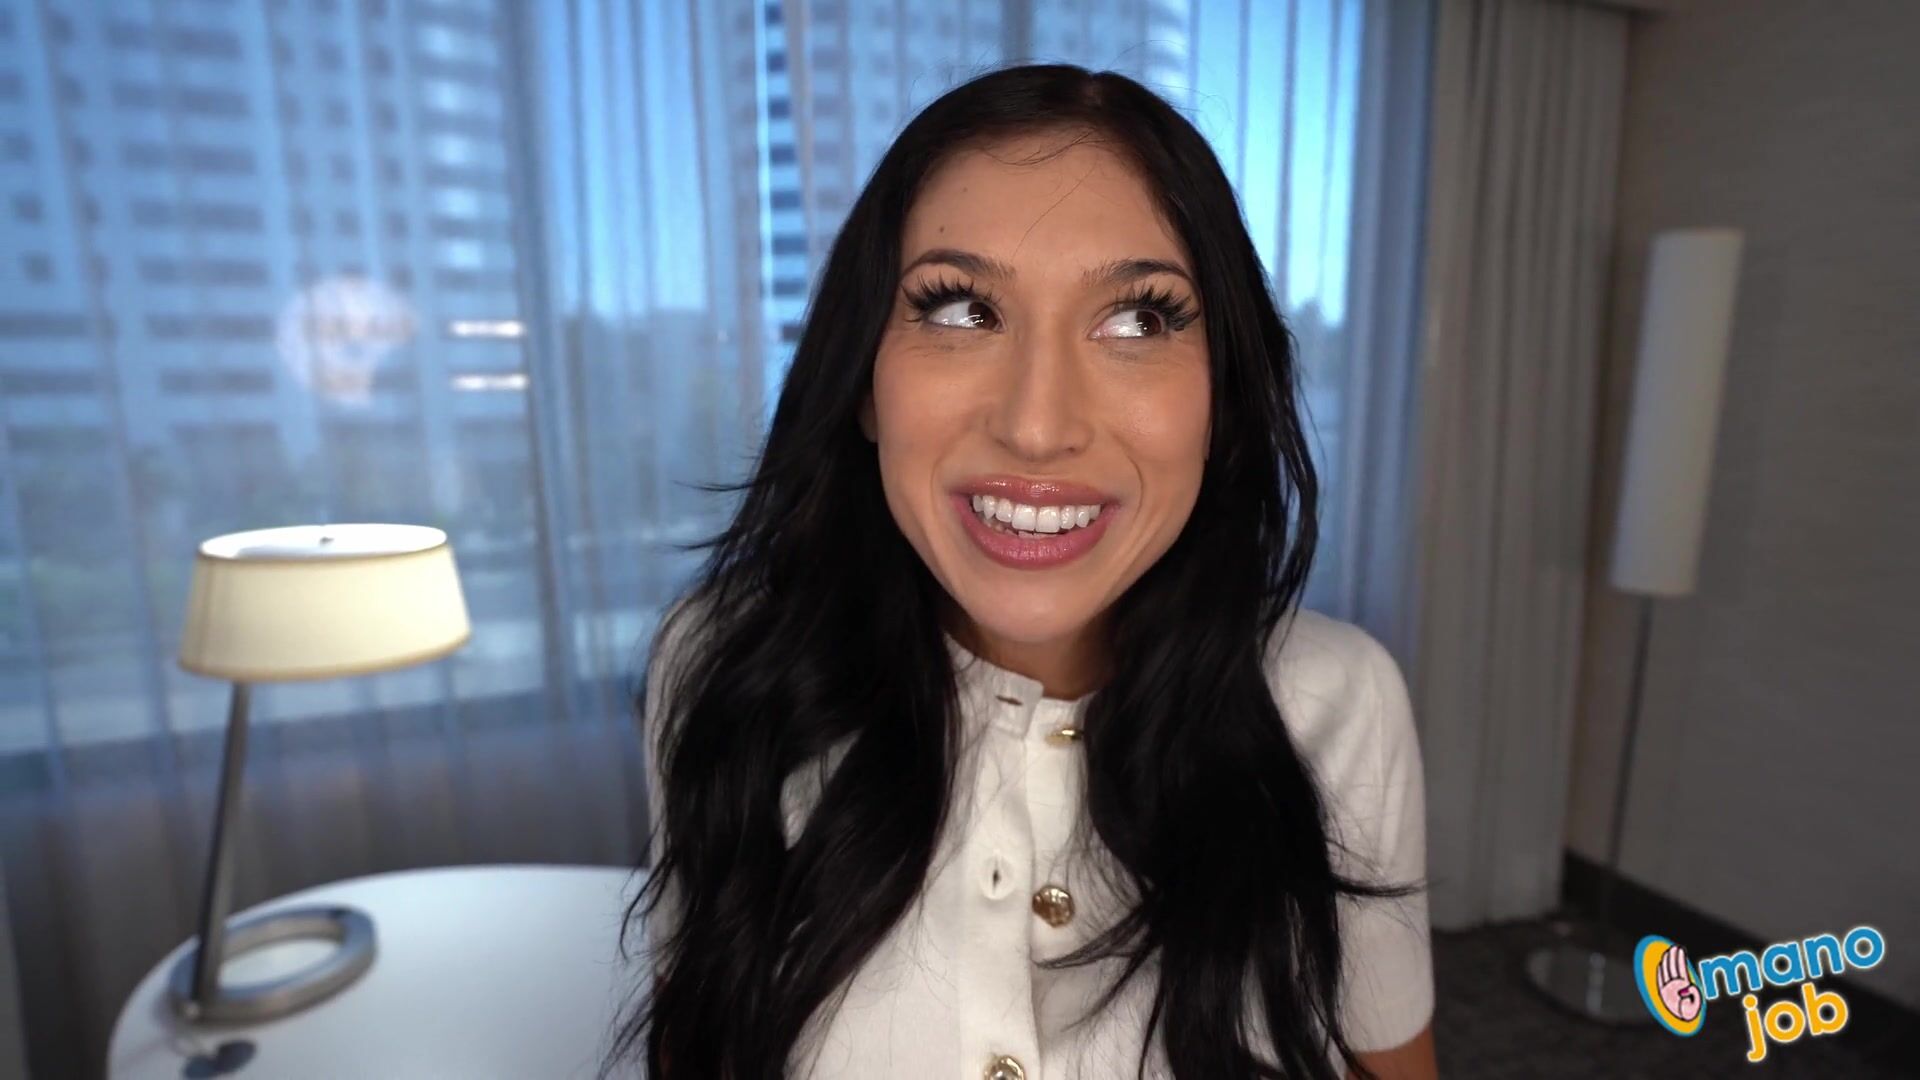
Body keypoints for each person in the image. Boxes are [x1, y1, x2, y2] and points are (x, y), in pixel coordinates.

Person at [612, 63, 1437, 1080]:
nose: (1038, 427)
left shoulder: (1336, 702)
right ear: (863, 381)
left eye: (1139, 320)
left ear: (1223, 402)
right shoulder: (722, 666)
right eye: (961, 309)